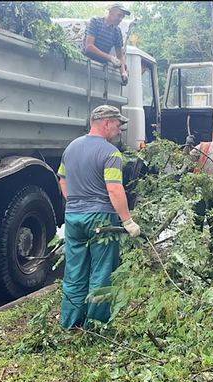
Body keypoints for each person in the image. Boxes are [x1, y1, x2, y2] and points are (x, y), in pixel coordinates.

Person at [57, 105, 141, 329]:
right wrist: (127, 221)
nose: (120, 129)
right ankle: (95, 325)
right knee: (102, 272)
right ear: (106, 123)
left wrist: (74, 200)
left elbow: (62, 179)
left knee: (74, 271)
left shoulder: (71, 148)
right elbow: (114, 189)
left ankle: (71, 323)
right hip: (100, 220)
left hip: (73, 217)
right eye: (117, 124)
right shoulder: (110, 153)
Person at [82, 3, 130, 83]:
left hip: (101, 69)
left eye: (123, 17)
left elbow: (120, 55)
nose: (121, 19)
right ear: (111, 12)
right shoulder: (95, 22)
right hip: (85, 63)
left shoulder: (117, 32)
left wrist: (123, 72)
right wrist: (110, 58)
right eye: (119, 15)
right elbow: (89, 47)